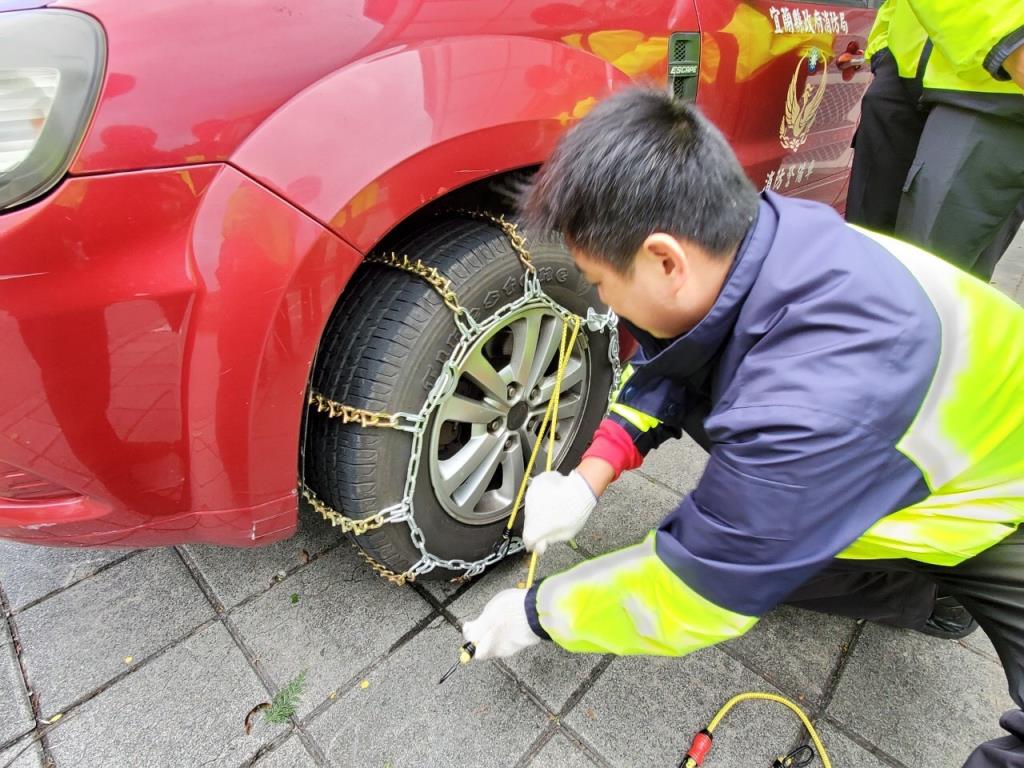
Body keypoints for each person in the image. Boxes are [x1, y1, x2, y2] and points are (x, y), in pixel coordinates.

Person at [462, 87, 1024, 768]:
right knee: (767, 556)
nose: (601, 301)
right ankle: (907, 584)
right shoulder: (770, 238)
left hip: (998, 499)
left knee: (745, 567)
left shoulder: (808, 408)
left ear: (666, 260)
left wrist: (537, 614)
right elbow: (681, 357)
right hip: (920, 444)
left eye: (599, 282)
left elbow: (693, 591)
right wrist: (590, 474)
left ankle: (945, 592)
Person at [846, 0, 1024, 281]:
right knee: (869, 253)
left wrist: (1009, 42)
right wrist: (883, 48)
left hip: (990, 86)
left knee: (938, 274)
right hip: (907, 64)